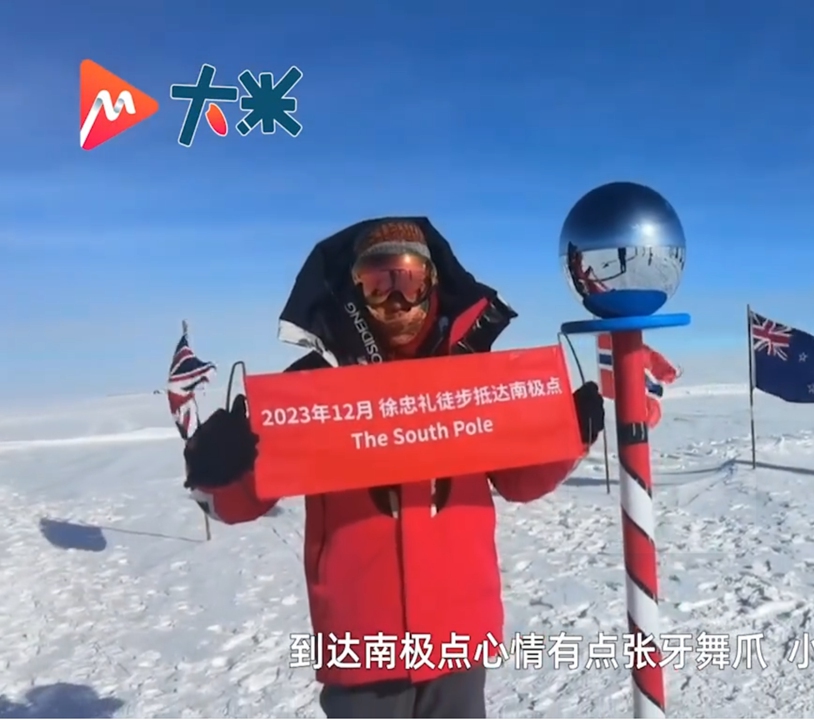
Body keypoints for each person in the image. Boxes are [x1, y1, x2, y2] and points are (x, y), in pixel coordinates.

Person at [182, 217, 605, 719]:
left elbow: (518, 480)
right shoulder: (313, 390)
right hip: (361, 643)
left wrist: (565, 435)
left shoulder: (472, 379)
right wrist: (217, 470)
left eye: (408, 281)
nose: (397, 300)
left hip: (456, 639)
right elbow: (238, 502)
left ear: (431, 283)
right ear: (355, 291)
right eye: (379, 285)